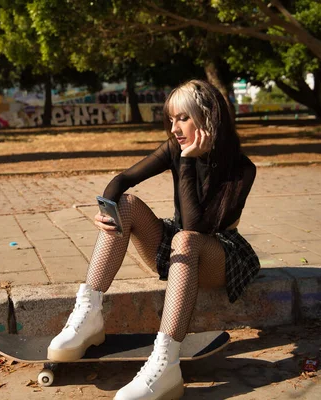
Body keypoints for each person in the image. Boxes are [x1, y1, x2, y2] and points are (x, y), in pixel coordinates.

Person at [47, 79, 261, 400]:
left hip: (220, 255)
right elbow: (122, 180)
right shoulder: (175, 147)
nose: (174, 127)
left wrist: (188, 162)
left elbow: (197, 227)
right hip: (179, 245)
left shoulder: (242, 170)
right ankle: (89, 314)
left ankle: (166, 363)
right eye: (171, 118)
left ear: (208, 117)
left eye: (183, 118)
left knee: (187, 239)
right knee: (126, 205)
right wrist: (107, 212)